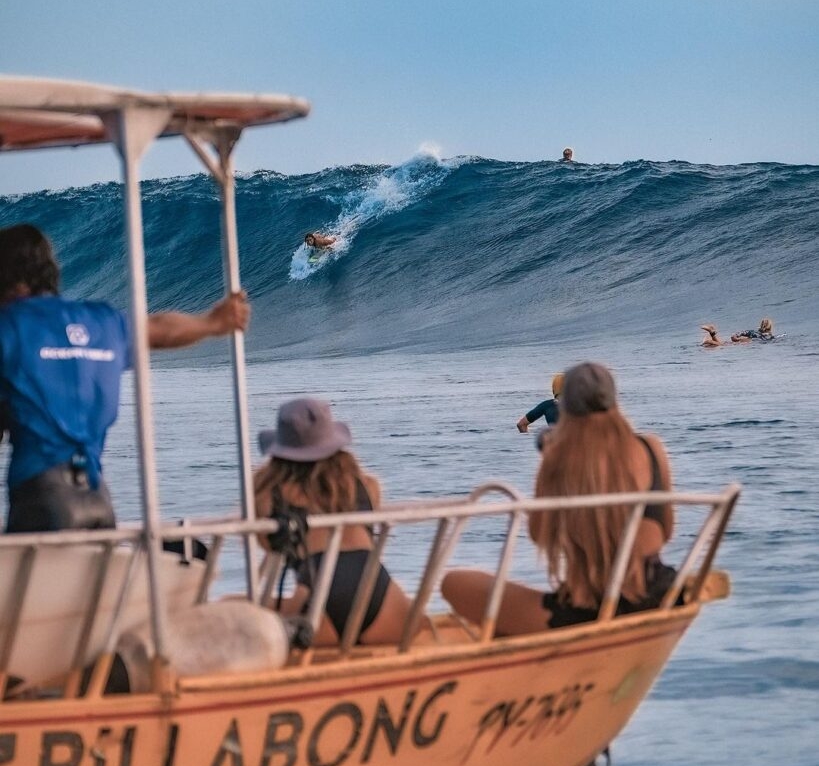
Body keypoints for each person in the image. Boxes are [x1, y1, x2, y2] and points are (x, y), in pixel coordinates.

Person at [0, 223, 250, 533]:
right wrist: (211, 323)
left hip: (40, 499)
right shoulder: (101, 321)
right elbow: (157, 329)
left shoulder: (8, 327)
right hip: (97, 497)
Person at [442, 362, 677, 634]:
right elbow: (666, 531)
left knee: (454, 583)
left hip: (587, 608)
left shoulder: (557, 457)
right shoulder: (651, 447)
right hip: (660, 589)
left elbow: (540, 534)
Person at [253, 396, 413, 646]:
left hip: (317, 605)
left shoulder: (267, 495)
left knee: (232, 605)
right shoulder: (366, 486)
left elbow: (270, 545)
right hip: (381, 597)